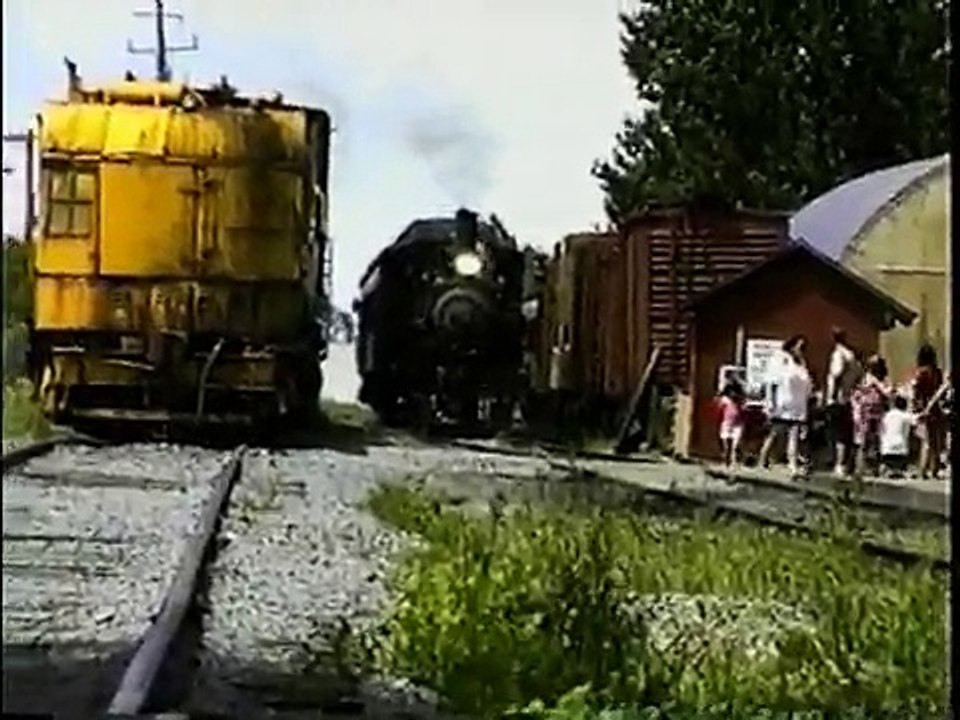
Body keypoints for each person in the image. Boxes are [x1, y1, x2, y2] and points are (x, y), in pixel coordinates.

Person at [759, 335, 812, 478]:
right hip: (782, 404)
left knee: (793, 436)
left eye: (803, 347)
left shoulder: (801, 364)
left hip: (798, 406)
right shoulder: (781, 359)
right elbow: (772, 382)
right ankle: (763, 457)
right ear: (791, 346)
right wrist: (770, 403)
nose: (801, 350)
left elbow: (807, 384)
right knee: (775, 433)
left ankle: (792, 465)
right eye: (799, 346)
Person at [824, 327, 861, 477]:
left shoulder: (838, 354)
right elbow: (858, 375)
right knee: (846, 434)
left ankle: (839, 464)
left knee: (837, 434)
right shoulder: (851, 355)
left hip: (838, 398)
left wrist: (832, 396)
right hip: (848, 397)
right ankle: (847, 464)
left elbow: (837, 374)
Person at [851, 354, 890, 477]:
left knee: (874, 441)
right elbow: (885, 391)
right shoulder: (869, 378)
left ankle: (871, 468)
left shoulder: (878, 378)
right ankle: (861, 468)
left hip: (876, 412)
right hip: (866, 412)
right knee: (864, 441)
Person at [911, 344, 947, 479]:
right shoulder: (937, 372)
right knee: (935, 440)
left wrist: (915, 407)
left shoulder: (921, 372)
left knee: (926, 441)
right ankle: (934, 469)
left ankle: (923, 470)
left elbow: (914, 389)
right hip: (936, 408)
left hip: (924, 408)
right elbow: (941, 390)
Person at [879, 394, 914, 478]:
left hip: (886, 448)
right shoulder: (906, 416)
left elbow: (882, 429)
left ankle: (888, 469)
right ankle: (899, 470)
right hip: (901, 449)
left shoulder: (887, 415)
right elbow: (915, 422)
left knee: (887, 462)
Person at [716, 380, 746, 468]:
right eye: (732, 392)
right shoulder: (725, 400)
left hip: (738, 424)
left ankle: (734, 462)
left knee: (735, 446)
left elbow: (743, 408)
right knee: (727, 446)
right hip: (727, 424)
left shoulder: (741, 399)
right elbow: (719, 409)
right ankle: (726, 462)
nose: (734, 394)